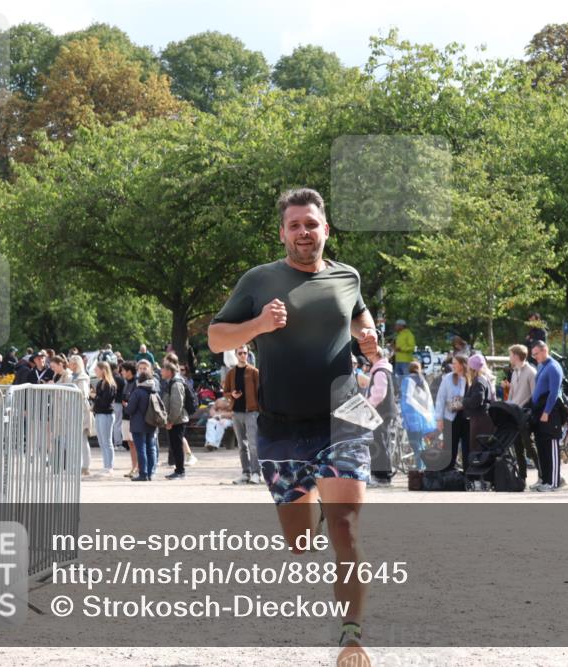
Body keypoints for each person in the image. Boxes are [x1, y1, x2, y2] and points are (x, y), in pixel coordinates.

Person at [206, 187, 378, 661]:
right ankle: (314, 510)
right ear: (283, 233)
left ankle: (352, 634)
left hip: (342, 419)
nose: (305, 231)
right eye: (295, 225)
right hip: (281, 427)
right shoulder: (259, 281)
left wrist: (368, 336)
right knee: (302, 542)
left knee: (346, 529)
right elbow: (216, 335)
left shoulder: (348, 276)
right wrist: (257, 326)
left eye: (312, 223)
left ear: (326, 229)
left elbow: (360, 316)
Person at [223, 345, 262, 484]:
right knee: (241, 446)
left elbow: (261, 393)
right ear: (236, 354)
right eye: (240, 353)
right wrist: (231, 395)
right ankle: (245, 473)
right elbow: (225, 391)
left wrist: (260, 411)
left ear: (248, 354)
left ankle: (256, 473)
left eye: (245, 353)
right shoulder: (231, 373)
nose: (242, 355)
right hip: (236, 412)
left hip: (251, 412)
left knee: (253, 444)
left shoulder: (254, 372)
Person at [530, 341, 564, 492]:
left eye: (536, 353)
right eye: (533, 354)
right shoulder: (541, 365)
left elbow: (554, 392)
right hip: (539, 410)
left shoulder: (554, 367)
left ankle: (554, 482)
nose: (534, 357)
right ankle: (545, 479)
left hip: (550, 411)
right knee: (542, 446)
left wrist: (547, 412)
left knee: (551, 445)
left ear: (545, 350)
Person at [365, 345, 397, 487]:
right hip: (384, 412)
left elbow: (378, 394)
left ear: (374, 355)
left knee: (379, 442)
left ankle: (381, 476)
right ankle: (382, 475)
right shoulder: (384, 370)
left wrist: (367, 405)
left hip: (380, 412)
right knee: (382, 441)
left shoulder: (379, 371)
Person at [503, 344, 537, 473]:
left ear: (516, 356)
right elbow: (512, 395)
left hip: (524, 414)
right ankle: (522, 477)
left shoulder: (531, 372)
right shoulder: (514, 372)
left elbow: (535, 396)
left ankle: (542, 474)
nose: (509, 357)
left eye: (510, 355)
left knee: (529, 446)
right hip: (514, 414)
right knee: (518, 448)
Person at [124, 359, 160, 481]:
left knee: (141, 449)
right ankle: (151, 473)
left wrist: (127, 405)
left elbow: (129, 410)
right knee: (151, 448)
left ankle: (143, 474)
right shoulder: (154, 391)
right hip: (151, 423)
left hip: (138, 425)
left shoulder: (137, 392)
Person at [434, 353, 470, 472]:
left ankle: (468, 473)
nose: (452, 365)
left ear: (462, 365)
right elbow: (440, 398)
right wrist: (439, 419)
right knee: (450, 446)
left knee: (467, 447)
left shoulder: (470, 377)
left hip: (467, 417)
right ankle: (448, 473)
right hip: (450, 416)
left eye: (455, 363)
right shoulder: (448, 378)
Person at [399, 360, 435, 471]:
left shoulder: (407, 380)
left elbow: (406, 400)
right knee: (421, 444)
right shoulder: (423, 381)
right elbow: (429, 401)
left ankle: (421, 468)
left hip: (412, 419)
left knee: (415, 445)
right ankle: (425, 467)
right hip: (424, 418)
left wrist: (403, 416)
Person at [463, 352, 496, 462]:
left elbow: (476, 401)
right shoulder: (484, 379)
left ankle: (480, 477)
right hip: (483, 419)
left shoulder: (478, 381)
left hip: (480, 420)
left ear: (473, 368)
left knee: (477, 449)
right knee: (482, 449)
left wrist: (463, 401)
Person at [161, 361, 190, 480]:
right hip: (175, 420)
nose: (161, 372)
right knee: (175, 446)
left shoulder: (176, 384)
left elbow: (177, 404)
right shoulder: (171, 382)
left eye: (163, 369)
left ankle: (180, 471)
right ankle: (178, 470)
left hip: (177, 420)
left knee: (177, 446)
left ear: (169, 371)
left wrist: (170, 420)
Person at [91, 361, 117, 476]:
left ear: (103, 370)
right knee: (102, 441)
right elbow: (99, 400)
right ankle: (106, 465)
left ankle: (109, 466)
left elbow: (105, 401)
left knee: (107, 441)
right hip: (99, 413)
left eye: (97, 370)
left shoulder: (109, 384)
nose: (95, 372)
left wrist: (94, 396)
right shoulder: (100, 383)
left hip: (106, 414)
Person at [118, 361, 139, 478]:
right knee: (130, 444)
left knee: (136, 443)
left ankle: (139, 468)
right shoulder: (126, 383)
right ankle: (133, 467)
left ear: (129, 371)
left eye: (123, 370)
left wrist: (129, 404)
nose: (121, 372)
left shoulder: (136, 382)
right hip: (126, 417)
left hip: (133, 418)